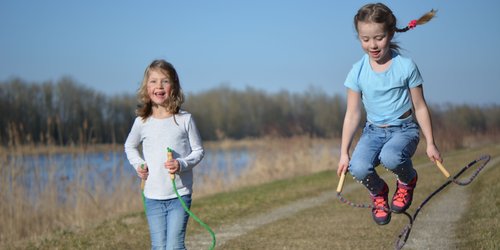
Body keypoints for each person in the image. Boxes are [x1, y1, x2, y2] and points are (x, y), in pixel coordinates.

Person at [337, 3, 442, 225]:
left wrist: (431, 143)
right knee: (358, 167)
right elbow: (352, 114)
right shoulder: (357, 71)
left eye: (379, 38)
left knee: (391, 157)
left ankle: (407, 180)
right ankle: (379, 192)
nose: (372, 45)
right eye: (365, 39)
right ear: (359, 37)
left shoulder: (405, 66)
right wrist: (344, 152)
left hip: (404, 130)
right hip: (373, 132)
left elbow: (420, 106)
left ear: (390, 33)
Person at [125, 59, 205, 249]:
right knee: (159, 247)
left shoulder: (185, 119)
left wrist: (182, 164)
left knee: (174, 246)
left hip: (180, 195)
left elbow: (198, 151)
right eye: (153, 81)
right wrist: (139, 165)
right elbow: (130, 146)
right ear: (146, 87)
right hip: (152, 196)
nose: (159, 86)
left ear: (174, 86)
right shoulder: (142, 122)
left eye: (165, 81)